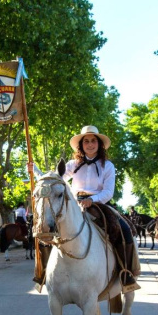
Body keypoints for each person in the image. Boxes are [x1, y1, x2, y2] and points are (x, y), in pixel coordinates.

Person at [28, 125, 140, 292]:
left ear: (99, 144)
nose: (89, 144)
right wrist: (35, 171)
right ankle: (43, 273)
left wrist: (91, 200)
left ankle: (126, 274)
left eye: (93, 141)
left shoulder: (108, 166)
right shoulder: (72, 164)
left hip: (100, 204)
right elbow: (57, 179)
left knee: (123, 230)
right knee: (45, 229)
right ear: (81, 145)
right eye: (86, 141)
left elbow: (108, 192)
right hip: (72, 203)